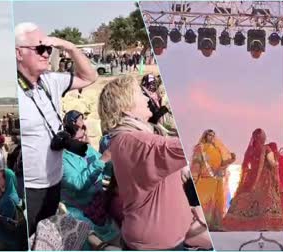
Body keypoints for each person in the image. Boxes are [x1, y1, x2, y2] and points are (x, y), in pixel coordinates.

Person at [98, 75, 212, 250]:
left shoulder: (122, 138)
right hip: (160, 244)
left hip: (163, 233)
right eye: (139, 94)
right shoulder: (140, 143)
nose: (146, 98)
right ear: (126, 107)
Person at [15, 22, 97, 235]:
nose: (46, 54)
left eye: (49, 49)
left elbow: (90, 77)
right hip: (30, 189)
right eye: (40, 49)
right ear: (18, 53)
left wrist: (68, 46)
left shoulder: (51, 81)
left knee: (47, 240)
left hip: (55, 182)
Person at [60, 110, 120, 250]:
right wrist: (102, 160)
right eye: (79, 135)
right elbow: (78, 184)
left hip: (100, 209)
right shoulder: (63, 159)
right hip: (81, 215)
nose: (84, 136)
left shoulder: (87, 150)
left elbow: (107, 168)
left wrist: (116, 162)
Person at [222, 129, 283, 231]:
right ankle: (264, 224)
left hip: (252, 177)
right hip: (265, 178)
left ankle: (241, 221)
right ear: (263, 137)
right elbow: (272, 163)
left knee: (248, 197)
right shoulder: (266, 149)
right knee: (266, 198)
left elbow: (247, 165)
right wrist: (277, 159)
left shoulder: (251, 150)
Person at [190, 130, 236, 231]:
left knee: (216, 202)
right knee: (203, 201)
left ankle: (214, 224)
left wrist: (230, 159)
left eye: (213, 135)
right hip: (204, 178)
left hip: (216, 180)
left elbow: (222, 163)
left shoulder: (217, 149)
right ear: (205, 136)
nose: (212, 137)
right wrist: (194, 177)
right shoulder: (200, 148)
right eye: (210, 135)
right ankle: (201, 223)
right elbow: (196, 163)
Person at [0, 168, 24, 250]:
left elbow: (6, 223)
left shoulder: (8, 199)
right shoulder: (13, 195)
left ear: (7, 180)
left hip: (6, 243)